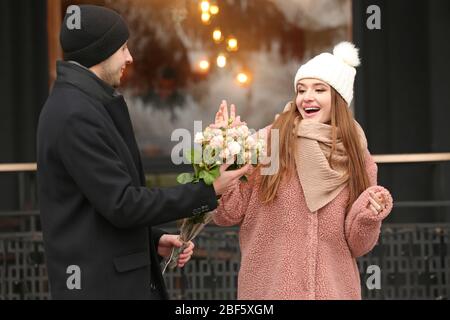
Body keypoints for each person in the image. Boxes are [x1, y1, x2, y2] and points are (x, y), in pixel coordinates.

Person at [37, 5, 248, 300]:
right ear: (101, 51)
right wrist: (207, 190)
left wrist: (153, 240)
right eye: (123, 48)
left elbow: (98, 209)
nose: (129, 57)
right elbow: (122, 203)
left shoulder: (80, 105)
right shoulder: (76, 113)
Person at [212, 42, 394, 300]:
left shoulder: (357, 155)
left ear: (338, 100)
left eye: (319, 89)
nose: (307, 97)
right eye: (301, 90)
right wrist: (223, 155)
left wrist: (367, 216)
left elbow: (358, 245)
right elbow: (227, 214)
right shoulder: (269, 142)